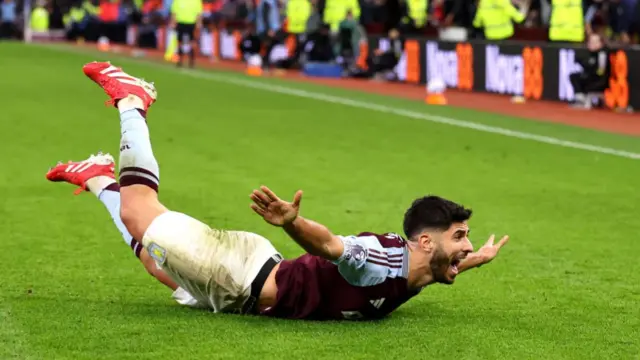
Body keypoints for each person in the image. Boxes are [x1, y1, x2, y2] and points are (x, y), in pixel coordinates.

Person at [45, 61, 510, 320]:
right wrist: (293, 223)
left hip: (252, 283)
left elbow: (438, 266)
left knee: (153, 258)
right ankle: (132, 101)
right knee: (139, 213)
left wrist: (471, 260)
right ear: (425, 241)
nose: (466, 245)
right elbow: (332, 246)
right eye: (460, 236)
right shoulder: (383, 260)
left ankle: (98, 175)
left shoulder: (423, 265)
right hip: (240, 276)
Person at [569, 33, 610, 109]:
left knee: (581, 78)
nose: (592, 44)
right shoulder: (591, 54)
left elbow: (601, 71)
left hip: (600, 81)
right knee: (574, 76)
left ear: (601, 43)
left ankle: (582, 101)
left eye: (595, 42)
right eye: (590, 42)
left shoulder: (602, 54)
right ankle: (580, 99)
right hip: (592, 78)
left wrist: (590, 70)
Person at [170, 0, 203, 68]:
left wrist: (198, 23)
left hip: (191, 23)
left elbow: (199, 13)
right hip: (180, 22)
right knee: (179, 42)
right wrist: (173, 22)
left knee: (192, 42)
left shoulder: (196, 1)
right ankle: (179, 59)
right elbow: (174, 12)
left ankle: (192, 60)